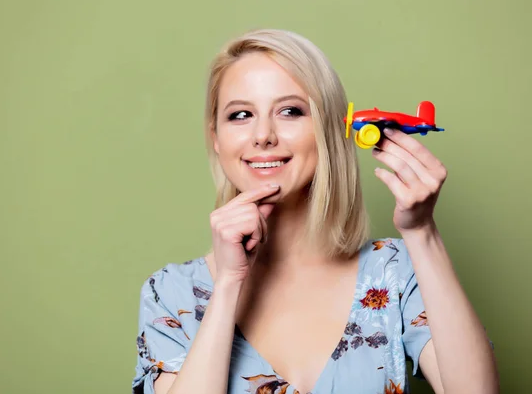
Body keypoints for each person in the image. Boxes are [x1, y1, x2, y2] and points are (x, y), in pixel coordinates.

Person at [131, 29, 499, 394]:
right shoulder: (171, 295)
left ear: (330, 127)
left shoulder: (395, 272)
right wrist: (228, 285)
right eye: (241, 115)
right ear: (216, 136)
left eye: (290, 111)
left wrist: (422, 232)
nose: (263, 135)